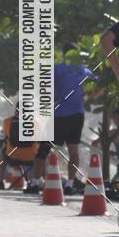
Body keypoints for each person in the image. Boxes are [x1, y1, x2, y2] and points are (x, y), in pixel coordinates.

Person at [34, 43, 95, 194]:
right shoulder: (84, 70)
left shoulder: (58, 68)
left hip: (59, 115)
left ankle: (35, 183)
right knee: (73, 150)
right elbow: (100, 84)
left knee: (43, 148)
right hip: (77, 116)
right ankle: (69, 184)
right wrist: (87, 97)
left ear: (64, 54)